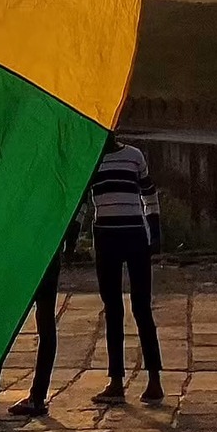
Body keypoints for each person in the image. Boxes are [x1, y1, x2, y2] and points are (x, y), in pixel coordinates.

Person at [0, 213, 80, 418]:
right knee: (40, 322)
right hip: (45, 250)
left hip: (30, 252)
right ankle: (33, 397)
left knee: (5, 324)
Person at [88, 135, 164, 404]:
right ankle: (116, 380)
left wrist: (154, 232)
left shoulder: (134, 156)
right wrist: (72, 237)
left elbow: (149, 192)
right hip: (105, 239)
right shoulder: (91, 159)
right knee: (112, 310)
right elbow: (82, 202)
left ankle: (154, 379)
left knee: (142, 308)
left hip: (135, 238)